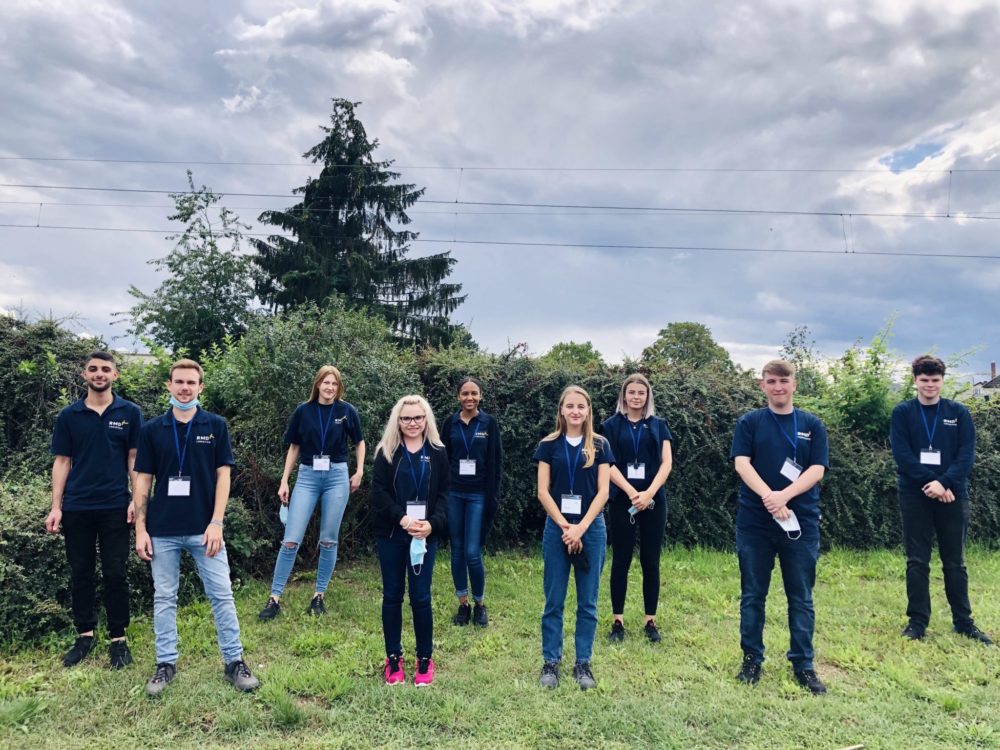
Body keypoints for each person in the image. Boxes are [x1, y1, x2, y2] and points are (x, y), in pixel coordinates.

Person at [132, 359, 259, 696]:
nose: (185, 388)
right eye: (179, 382)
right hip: (162, 530)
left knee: (222, 594)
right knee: (164, 597)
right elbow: (142, 481)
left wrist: (217, 522)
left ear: (201, 387)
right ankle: (165, 663)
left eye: (191, 382)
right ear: (169, 385)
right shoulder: (152, 429)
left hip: (205, 530)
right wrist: (141, 529)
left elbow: (223, 476)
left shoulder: (215, 425)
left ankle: (234, 662)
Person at [730, 360, 829, 694]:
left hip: (800, 522)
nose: (778, 387)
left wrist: (784, 496)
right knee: (753, 595)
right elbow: (742, 464)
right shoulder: (750, 422)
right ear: (762, 385)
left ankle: (803, 665)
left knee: (800, 597)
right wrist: (769, 498)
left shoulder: (812, 424)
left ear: (794, 384)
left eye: (783, 381)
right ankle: (751, 660)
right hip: (755, 523)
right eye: (771, 382)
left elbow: (817, 469)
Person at [46, 351, 143, 669]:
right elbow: (62, 461)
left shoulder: (130, 413)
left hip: (115, 506)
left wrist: (136, 500)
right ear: (84, 374)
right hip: (77, 507)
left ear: (115, 375)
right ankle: (84, 635)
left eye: (105, 369)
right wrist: (56, 507)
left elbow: (134, 460)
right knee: (81, 573)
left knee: (116, 573)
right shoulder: (69, 416)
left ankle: (118, 639)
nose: (99, 373)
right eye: (93, 369)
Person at [889, 355, 992, 645]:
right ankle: (917, 622)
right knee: (917, 560)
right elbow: (902, 454)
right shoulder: (903, 412)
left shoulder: (958, 412)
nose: (930, 385)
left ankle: (964, 622)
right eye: (924, 380)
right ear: (915, 380)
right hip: (915, 494)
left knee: (955, 562)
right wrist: (931, 483)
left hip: (953, 493)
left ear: (942, 381)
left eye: (935, 380)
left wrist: (944, 483)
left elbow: (966, 454)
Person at [258, 365, 365, 620]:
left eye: (334, 384)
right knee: (291, 539)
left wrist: (359, 471)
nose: (330, 387)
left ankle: (319, 596)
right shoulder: (303, 411)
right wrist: (284, 480)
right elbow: (294, 447)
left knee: (328, 539)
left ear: (339, 387)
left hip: (336, 476)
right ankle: (274, 598)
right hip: (307, 476)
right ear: (317, 384)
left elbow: (359, 442)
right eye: (326, 382)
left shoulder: (346, 411)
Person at [533, 385, 613, 691]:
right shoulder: (548, 445)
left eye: (581, 406)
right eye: (570, 406)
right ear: (561, 410)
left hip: (591, 529)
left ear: (588, 410)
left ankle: (583, 663)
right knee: (554, 600)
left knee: (588, 602)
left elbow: (603, 492)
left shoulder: (601, 445)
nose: (575, 411)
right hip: (557, 528)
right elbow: (543, 491)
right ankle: (551, 662)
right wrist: (566, 526)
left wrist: (580, 528)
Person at [371, 395, 449, 686]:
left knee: (421, 597)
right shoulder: (387, 452)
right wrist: (402, 519)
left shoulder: (438, 452)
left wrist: (431, 524)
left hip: (424, 537)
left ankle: (424, 658)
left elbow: (445, 495)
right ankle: (393, 658)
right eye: (406, 418)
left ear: (426, 419)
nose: (412, 423)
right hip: (393, 534)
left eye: (418, 417)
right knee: (392, 596)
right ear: (398, 421)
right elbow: (378, 493)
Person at [599, 373, 672, 644]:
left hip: (653, 500)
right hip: (622, 499)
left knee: (651, 561)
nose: (636, 397)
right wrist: (631, 493)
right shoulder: (610, 426)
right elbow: (607, 464)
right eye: (631, 392)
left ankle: (650, 620)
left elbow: (666, 463)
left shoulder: (659, 425)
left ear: (648, 396)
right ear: (624, 395)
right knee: (621, 560)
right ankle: (617, 621)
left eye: (641, 392)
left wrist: (648, 494)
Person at [439, 377, 503, 628]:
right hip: (454, 493)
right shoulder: (450, 423)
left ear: (481, 396)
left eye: (474, 393)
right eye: (465, 393)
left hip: (478, 495)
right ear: (458, 397)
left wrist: (493, 496)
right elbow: (442, 458)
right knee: (457, 550)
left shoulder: (489, 423)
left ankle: (480, 604)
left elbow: (496, 462)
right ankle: (463, 604)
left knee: (472, 553)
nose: (469, 398)